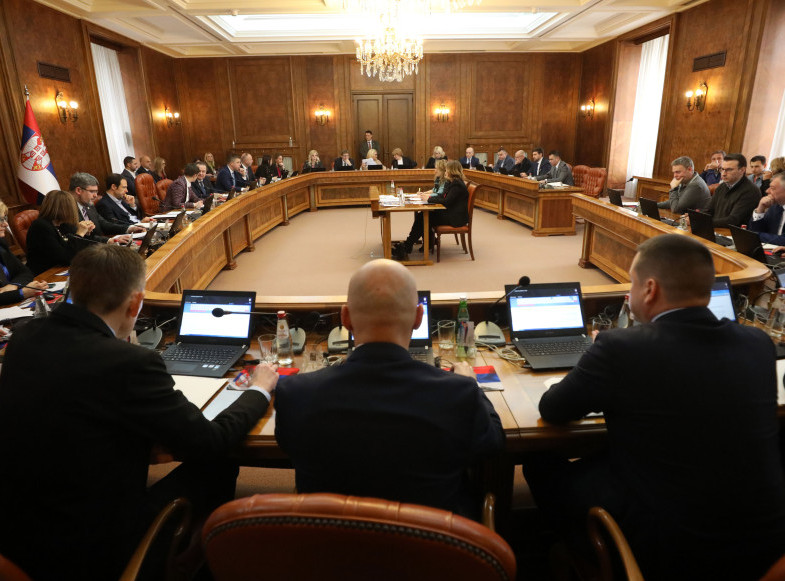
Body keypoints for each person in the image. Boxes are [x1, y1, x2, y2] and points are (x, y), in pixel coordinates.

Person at [0, 244, 278, 581]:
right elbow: (210, 441)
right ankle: (190, 566)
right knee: (218, 461)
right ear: (135, 303)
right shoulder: (129, 363)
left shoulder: (24, 338)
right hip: (88, 552)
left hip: (17, 536)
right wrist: (258, 389)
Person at [522, 234, 785, 581]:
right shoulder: (757, 343)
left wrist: (595, 358)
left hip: (671, 552)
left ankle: (578, 555)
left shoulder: (620, 347)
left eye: (631, 283)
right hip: (763, 544)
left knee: (539, 461)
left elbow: (553, 409)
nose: (629, 293)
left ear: (649, 289)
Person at [275, 258, 503, 516]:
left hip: (329, 539)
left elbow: (289, 446)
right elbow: (492, 443)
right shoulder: (459, 394)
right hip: (431, 540)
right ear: (419, 317)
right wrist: (472, 384)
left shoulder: (294, 394)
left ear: (345, 317)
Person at [403, 160, 468, 253]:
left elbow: (446, 201)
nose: (445, 172)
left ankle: (409, 244)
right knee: (423, 215)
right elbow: (442, 196)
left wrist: (429, 199)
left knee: (424, 217)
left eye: (447, 170)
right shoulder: (453, 182)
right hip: (451, 213)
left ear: (452, 171)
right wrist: (428, 197)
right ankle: (412, 244)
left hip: (455, 218)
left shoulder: (456, 184)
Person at [25, 190, 95, 275]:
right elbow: (65, 258)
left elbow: (77, 249)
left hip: (60, 269)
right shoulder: (41, 226)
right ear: (63, 209)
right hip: (45, 274)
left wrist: (85, 233)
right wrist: (79, 234)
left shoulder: (63, 224)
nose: (74, 210)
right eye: (72, 207)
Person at [0, 200, 48, 304]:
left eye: (4, 218)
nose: (5, 224)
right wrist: (22, 293)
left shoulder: (1, 244)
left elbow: (25, 272)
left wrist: (13, 286)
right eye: (0, 220)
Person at [70, 172, 141, 241]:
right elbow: (82, 238)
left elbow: (104, 224)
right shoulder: (68, 210)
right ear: (78, 190)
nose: (95, 195)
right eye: (92, 191)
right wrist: (109, 240)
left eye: (96, 192)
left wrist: (129, 228)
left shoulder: (88, 205)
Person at [703, 153, 760, 227]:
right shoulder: (722, 186)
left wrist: (704, 222)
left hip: (732, 232)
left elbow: (733, 220)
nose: (723, 174)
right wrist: (696, 219)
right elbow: (708, 210)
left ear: (742, 170)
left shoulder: (751, 191)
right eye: (722, 169)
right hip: (715, 228)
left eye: (729, 170)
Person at [748, 173, 785, 245]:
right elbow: (754, 231)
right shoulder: (774, 207)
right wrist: (760, 210)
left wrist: (755, 235)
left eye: (772, 188)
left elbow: (783, 240)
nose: (767, 191)